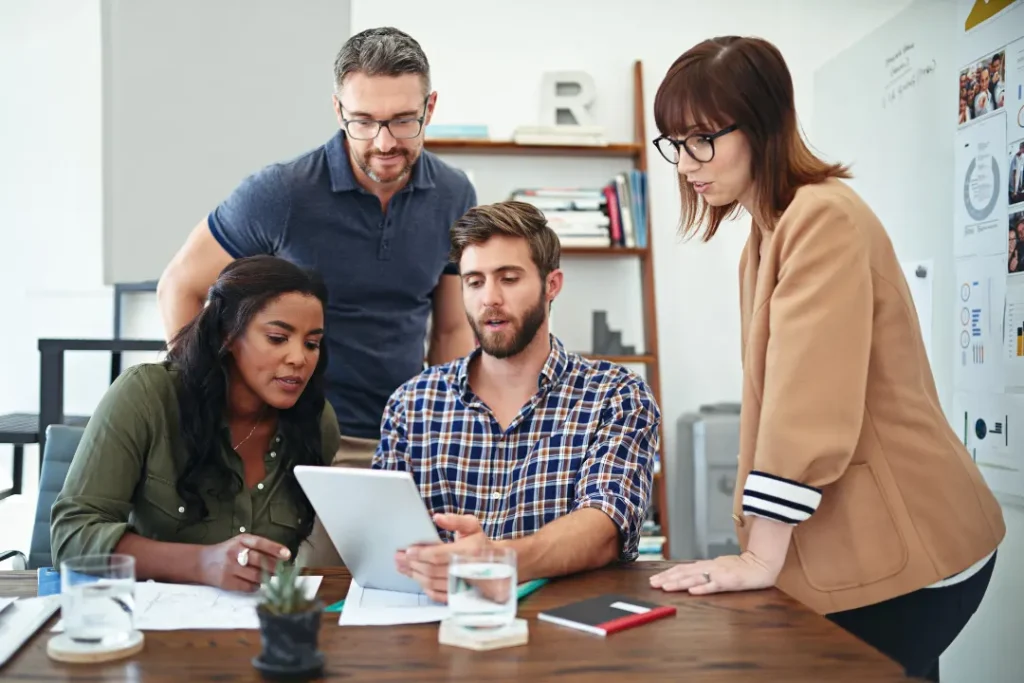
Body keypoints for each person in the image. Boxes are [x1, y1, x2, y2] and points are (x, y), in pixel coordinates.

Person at [646, 36, 1004, 682]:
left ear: (760, 125)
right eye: (675, 142)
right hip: (869, 539)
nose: (685, 163)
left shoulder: (821, 218)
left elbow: (805, 405)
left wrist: (759, 559)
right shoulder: (768, 232)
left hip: (912, 538)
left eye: (703, 138)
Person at [156, 26, 476, 472]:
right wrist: (208, 405)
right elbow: (179, 285)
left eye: (403, 120)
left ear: (430, 107)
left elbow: (449, 331)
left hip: (406, 437)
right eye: (363, 121)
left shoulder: (455, 194)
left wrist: (447, 424)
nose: (384, 143)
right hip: (295, 438)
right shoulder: (282, 193)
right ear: (338, 110)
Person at [372, 201, 661, 603]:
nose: (490, 298)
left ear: (552, 285)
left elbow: (605, 529)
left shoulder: (615, 395)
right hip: (434, 632)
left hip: (566, 633)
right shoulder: (412, 404)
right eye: (474, 282)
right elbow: (382, 538)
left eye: (508, 279)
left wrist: (497, 560)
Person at [51, 256, 341, 592]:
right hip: (151, 624)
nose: (298, 358)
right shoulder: (146, 397)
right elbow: (72, 535)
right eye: (278, 337)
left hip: (268, 626)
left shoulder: (316, 422)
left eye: (312, 343)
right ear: (227, 334)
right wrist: (201, 563)